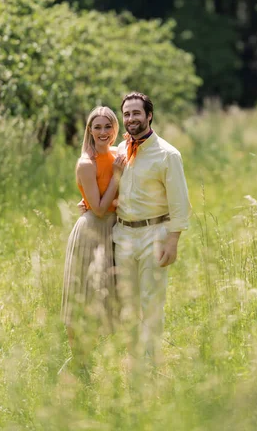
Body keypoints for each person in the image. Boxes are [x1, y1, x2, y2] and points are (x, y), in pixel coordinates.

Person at [113, 92, 191, 366]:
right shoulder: (120, 151)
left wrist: (173, 240)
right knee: (128, 303)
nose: (131, 118)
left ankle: (152, 365)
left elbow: (180, 202)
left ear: (149, 116)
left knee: (151, 302)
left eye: (136, 113)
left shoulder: (168, 155)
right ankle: (133, 361)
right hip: (122, 235)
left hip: (154, 235)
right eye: (126, 114)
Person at [61, 106, 125, 368]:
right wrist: (116, 178)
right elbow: (97, 208)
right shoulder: (86, 162)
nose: (102, 132)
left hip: (114, 231)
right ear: (89, 130)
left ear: (114, 130)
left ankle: (93, 362)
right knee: (83, 294)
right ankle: (78, 363)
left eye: (107, 126)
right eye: (97, 127)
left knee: (108, 298)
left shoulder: (118, 154)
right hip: (91, 231)